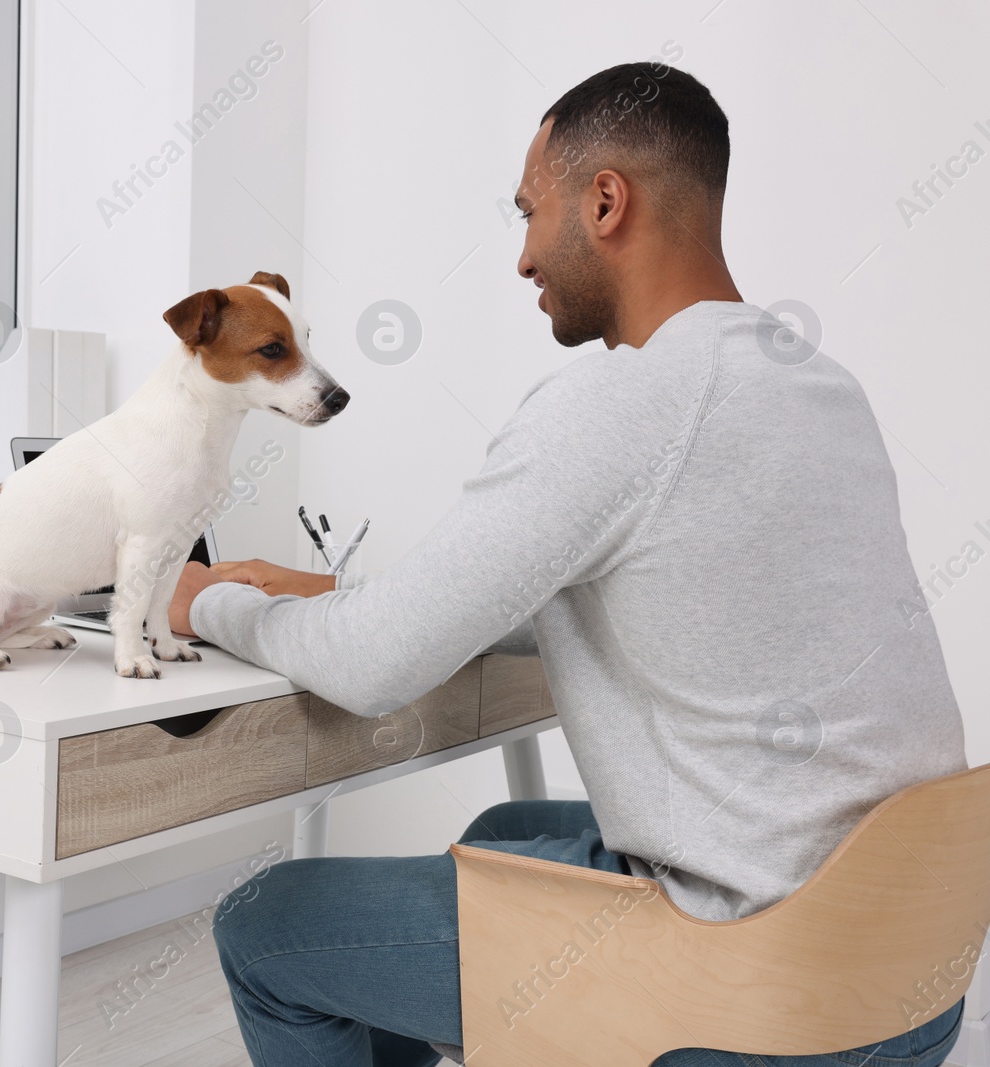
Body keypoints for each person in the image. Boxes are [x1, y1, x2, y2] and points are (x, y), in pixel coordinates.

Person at [167, 63, 969, 1067]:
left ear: (603, 201)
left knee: (264, 922)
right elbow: (624, 585)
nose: (519, 258)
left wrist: (209, 603)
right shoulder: (813, 382)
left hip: (760, 1000)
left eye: (527, 213)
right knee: (503, 825)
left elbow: (373, 669)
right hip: (905, 985)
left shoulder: (621, 402)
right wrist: (331, 591)